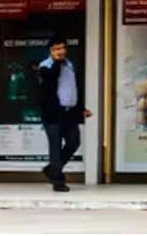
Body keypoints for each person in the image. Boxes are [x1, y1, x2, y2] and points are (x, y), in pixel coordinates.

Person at [37, 37, 91, 192]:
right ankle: (58, 181)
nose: (59, 52)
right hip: (53, 113)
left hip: (70, 112)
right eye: (56, 49)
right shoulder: (45, 66)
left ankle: (52, 169)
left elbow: (73, 88)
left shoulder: (70, 65)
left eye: (61, 48)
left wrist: (81, 108)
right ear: (50, 51)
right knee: (55, 146)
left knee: (74, 142)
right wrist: (56, 62)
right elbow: (49, 84)